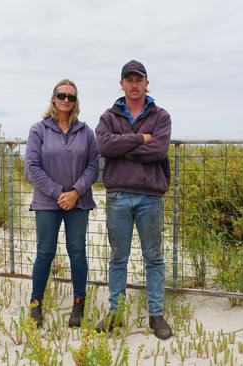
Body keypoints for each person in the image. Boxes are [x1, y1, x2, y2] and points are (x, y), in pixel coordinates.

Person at [94, 60, 173, 339]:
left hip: (150, 196)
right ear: (122, 84)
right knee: (118, 257)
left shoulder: (161, 116)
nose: (134, 84)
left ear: (147, 83)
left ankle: (156, 315)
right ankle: (115, 313)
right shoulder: (108, 116)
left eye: (139, 79)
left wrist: (123, 145)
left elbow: (158, 149)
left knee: (153, 257)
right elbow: (103, 145)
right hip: (118, 196)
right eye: (129, 80)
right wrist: (140, 137)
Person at [25, 79, 99, 328]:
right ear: (53, 98)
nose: (66, 100)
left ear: (77, 101)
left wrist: (76, 192)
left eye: (71, 97)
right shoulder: (39, 130)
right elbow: (32, 168)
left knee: (77, 251)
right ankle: (36, 304)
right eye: (62, 95)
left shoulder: (86, 132)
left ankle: (79, 303)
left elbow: (92, 166)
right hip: (47, 203)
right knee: (45, 252)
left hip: (78, 203)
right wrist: (59, 193)